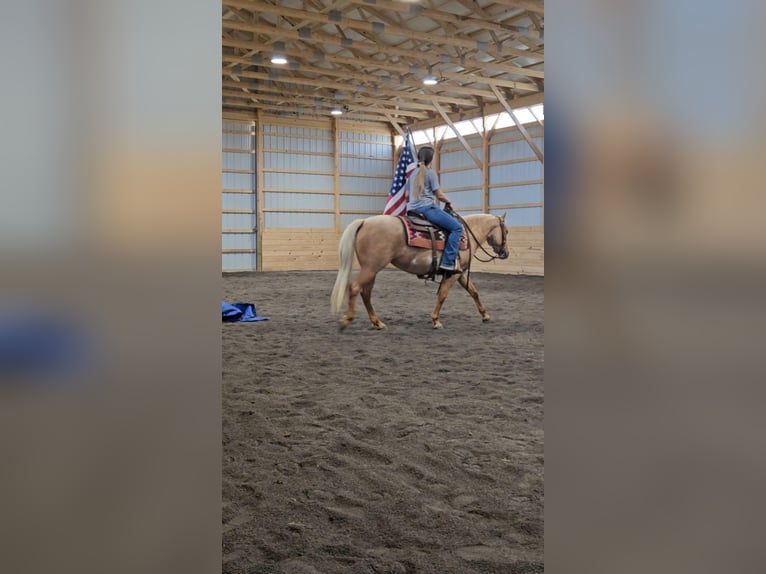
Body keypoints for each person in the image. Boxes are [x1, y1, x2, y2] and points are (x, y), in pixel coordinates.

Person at [405, 146, 463, 276]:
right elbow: (439, 195)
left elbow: (406, 195)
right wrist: (448, 202)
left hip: (412, 209)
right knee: (457, 228)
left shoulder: (412, 174)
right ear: (431, 158)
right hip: (427, 208)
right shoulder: (430, 173)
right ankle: (448, 263)